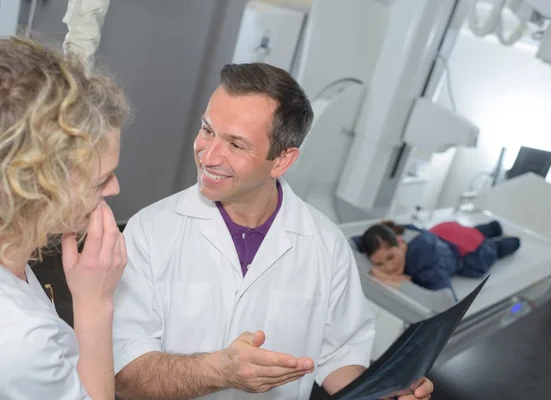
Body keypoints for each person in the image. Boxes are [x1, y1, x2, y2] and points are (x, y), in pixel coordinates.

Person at [112, 63, 433, 399]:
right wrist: (220, 372)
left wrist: (384, 393)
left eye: (236, 145)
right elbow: (125, 374)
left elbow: (340, 355)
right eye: (208, 130)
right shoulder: (149, 231)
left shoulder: (326, 245)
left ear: (281, 161)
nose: (208, 156)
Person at [0, 36, 130, 399]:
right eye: (101, 180)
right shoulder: (15, 339)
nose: (114, 189)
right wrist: (94, 302)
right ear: (31, 188)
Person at [356, 220, 521, 291]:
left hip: (470, 250)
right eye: (379, 264)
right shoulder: (394, 232)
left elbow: (447, 301)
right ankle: (492, 227)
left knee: (495, 249)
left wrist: (392, 280)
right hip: (445, 230)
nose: (389, 267)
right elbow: (353, 241)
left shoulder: (425, 265)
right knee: (473, 231)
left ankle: (509, 240)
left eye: (391, 257)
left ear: (400, 243)